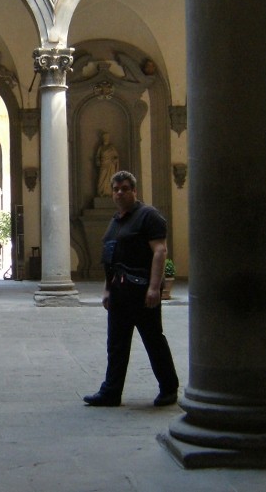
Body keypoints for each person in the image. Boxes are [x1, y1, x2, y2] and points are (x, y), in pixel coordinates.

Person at [84, 170, 178, 408]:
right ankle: (111, 392)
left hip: (141, 290)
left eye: (125, 188)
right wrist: (107, 289)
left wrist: (155, 287)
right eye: (116, 189)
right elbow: (111, 258)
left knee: (153, 340)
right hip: (119, 291)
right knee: (116, 343)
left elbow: (160, 251)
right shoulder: (116, 220)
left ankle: (169, 388)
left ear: (134, 191)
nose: (119, 193)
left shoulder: (148, 216)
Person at [94, 132, 120, 198]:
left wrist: (115, 160)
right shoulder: (101, 147)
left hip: (110, 165)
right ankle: (101, 192)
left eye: (107, 138)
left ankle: (109, 193)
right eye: (104, 138)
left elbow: (116, 156)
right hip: (103, 165)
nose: (106, 139)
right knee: (101, 180)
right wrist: (98, 161)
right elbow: (97, 156)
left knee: (109, 179)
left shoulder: (111, 147)